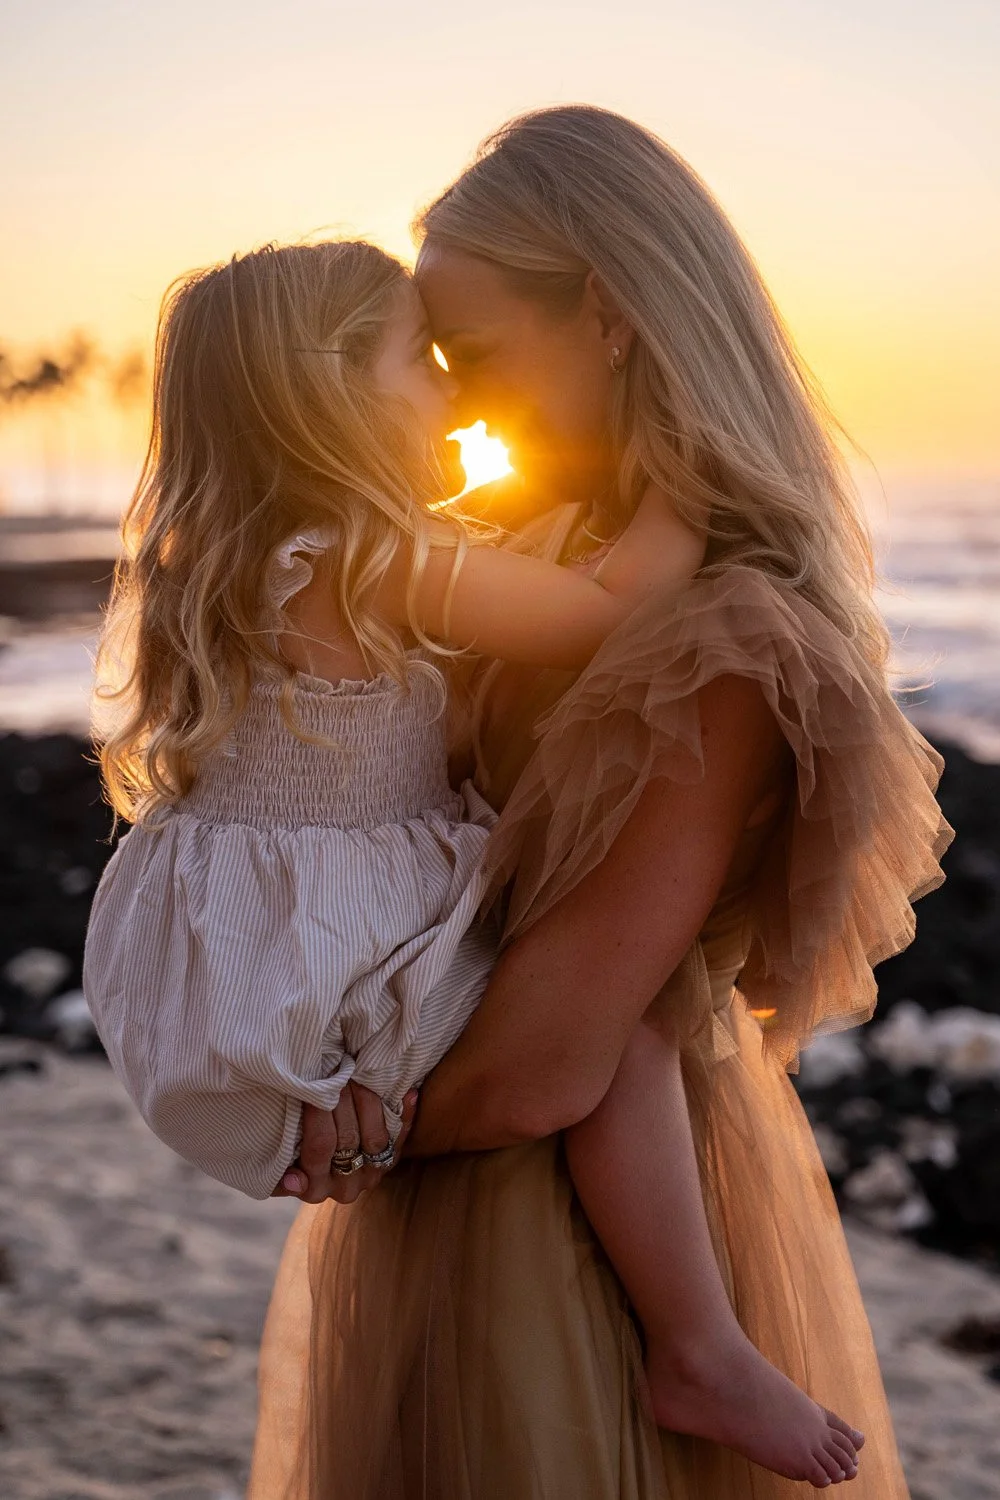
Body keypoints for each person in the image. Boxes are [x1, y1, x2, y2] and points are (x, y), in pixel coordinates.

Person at [251, 107, 952, 1500]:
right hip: (462, 1177)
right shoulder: (539, 557)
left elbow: (547, 1065)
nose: (459, 405)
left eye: (473, 355)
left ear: (612, 316)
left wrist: (311, 1127)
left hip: (566, 1234)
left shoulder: (722, 638)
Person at [86, 235, 863, 1482]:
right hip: (340, 956)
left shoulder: (237, 568)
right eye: (424, 362)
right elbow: (607, 609)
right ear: (333, 394)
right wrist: (695, 476)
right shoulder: (374, 557)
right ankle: (700, 1344)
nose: (455, 396)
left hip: (251, 970)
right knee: (630, 1035)